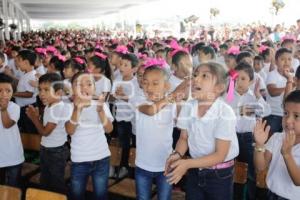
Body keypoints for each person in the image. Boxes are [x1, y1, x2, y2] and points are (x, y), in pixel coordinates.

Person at [165, 62, 239, 200]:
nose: (196, 79)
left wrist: (186, 164)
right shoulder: (189, 106)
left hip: (219, 175)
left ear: (219, 88)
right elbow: (183, 138)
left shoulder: (224, 112)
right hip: (195, 169)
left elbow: (220, 155)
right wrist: (177, 154)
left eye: (204, 76)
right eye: (195, 75)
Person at [65, 72, 114, 200]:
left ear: (94, 88)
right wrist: (78, 109)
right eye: (79, 84)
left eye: (88, 84)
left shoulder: (101, 105)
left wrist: (100, 111)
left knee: (101, 195)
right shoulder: (69, 107)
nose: (84, 87)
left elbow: (109, 129)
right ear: (72, 89)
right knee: (77, 194)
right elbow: (70, 130)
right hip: (79, 159)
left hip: (101, 157)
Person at [26, 73, 69, 193]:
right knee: (45, 180)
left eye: (46, 90)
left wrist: (34, 118)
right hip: (47, 148)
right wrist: (38, 117)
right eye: (40, 90)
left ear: (59, 92)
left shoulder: (57, 108)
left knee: (56, 183)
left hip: (55, 151)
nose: (42, 93)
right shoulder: (50, 106)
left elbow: (45, 132)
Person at [254, 90, 300, 200]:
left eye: (296, 116)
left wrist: (287, 154)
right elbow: (260, 167)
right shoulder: (277, 138)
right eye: (285, 113)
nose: (288, 120)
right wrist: (259, 144)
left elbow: (297, 181)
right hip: (271, 194)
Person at [0, 73, 24, 187]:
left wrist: (4, 110)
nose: (4, 94)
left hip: (13, 156)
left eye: (8, 91)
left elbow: (7, 124)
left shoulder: (14, 107)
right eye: (0, 90)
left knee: (13, 188)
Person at [266, 48, 293, 135]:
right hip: (274, 114)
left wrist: (290, 80)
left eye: (289, 59)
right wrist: (289, 84)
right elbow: (272, 92)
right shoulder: (272, 74)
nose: (286, 62)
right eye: (282, 59)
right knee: (270, 140)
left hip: (288, 115)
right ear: (276, 62)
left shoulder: (292, 76)